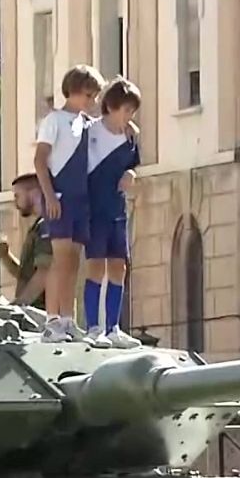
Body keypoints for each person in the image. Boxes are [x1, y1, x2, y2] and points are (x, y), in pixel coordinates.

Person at [33, 65, 104, 342]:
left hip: (81, 200)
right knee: (60, 260)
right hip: (60, 198)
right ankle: (52, 321)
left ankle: (68, 319)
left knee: (74, 261)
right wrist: (49, 195)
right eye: (89, 94)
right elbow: (40, 160)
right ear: (74, 91)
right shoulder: (55, 120)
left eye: (95, 96)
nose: (92, 101)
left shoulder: (87, 123)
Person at [80, 78, 143, 349]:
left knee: (119, 265)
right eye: (126, 110)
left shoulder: (128, 137)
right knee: (96, 264)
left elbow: (133, 166)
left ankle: (113, 327)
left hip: (117, 209)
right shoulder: (90, 131)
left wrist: (130, 174)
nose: (129, 117)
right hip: (94, 207)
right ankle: (94, 327)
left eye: (132, 112)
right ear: (112, 106)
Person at [0, 173, 52, 308]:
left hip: (44, 311)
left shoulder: (48, 225)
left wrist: (19, 305)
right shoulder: (37, 227)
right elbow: (26, 276)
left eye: (17, 196)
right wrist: (5, 257)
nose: (16, 203)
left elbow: (44, 273)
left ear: (34, 193)